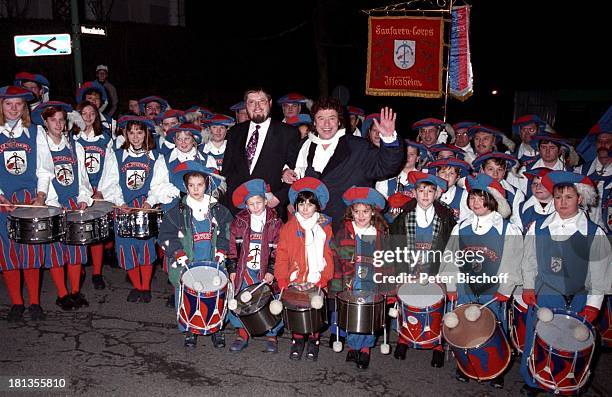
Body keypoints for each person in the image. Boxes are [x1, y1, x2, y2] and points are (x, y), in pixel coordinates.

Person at [519, 171, 611, 396]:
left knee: (570, 342)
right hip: (547, 293)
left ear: (580, 199)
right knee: (537, 337)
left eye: (569, 197)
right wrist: (528, 286)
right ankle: (533, 380)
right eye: (558, 197)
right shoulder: (538, 227)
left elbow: (600, 273)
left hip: (579, 296)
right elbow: (528, 260)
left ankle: (567, 382)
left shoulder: (593, 232)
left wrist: (593, 305)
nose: (562, 202)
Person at [440, 173, 523, 388]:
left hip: (492, 289)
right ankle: (465, 363)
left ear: (493, 200)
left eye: (481, 198)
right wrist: (451, 285)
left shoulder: (507, 229)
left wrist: (506, 288)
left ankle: (497, 367)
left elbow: (513, 262)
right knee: (464, 325)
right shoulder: (462, 226)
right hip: (466, 285)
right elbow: (450, 257)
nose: (475, 202)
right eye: (472, 198)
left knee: (494, 325)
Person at [285, 98, 405, 232]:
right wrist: (285, 173)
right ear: (314, 121)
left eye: (332, 118)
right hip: (312, 227)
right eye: (321, 118)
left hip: (349, 228)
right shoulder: (304, 146)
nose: (326, 124)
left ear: (339, 121)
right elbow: (289, 167)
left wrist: (389, 139)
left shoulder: (359, 147)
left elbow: (387, 167)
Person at [158, 160, 232, 348]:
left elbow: (227, 231)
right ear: (185, 186)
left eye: (199, 185)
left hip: (212, 260)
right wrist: (177, 251)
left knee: (215, 295)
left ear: (207, 184)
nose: (195, 189)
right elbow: (165, 235)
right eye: (191, 185)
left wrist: (223, 249)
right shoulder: (176, 212)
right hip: (187, 262)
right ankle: (189, 330)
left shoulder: (219, 210)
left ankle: (217, 328)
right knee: (186, 295)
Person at [389, 171, 455, 368]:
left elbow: (450, 248)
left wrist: (442, 275)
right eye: (421, 190)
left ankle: (437, 345)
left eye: (430, 191)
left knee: (437, 307)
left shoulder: (446, 218)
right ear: (414, 193)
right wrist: (402, 273)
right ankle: (403, 339)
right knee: (405, 304)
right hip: (409, 268)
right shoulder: (403, 217)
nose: (425, 195)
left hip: (435, 270)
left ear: (437, 194)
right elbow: (396, 246)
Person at [0, 86, 54, 322]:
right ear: (1, 106)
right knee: (8, 253)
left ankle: (34, 302)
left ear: (24, 107)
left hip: (30, 200)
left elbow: (45, 166)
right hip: (3, 201)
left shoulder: (35, 131)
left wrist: (41, 195)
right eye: (8, 104)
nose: (13, 108)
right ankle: (16, 303)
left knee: (31, 251)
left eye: (18, 104)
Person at [34, 102, 93, 310]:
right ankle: (62, 293)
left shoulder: (74, 146)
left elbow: (83, 179)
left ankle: (76, 291)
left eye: (61, 119)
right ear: (45, 122)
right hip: (53, 205)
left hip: (74, 204)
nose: (58, 124)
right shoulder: (41, 147)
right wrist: (52, 202)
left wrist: (84, 197)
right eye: (53, 120)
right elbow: (42, 176)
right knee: (56, 253)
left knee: (76, 251)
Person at [275, 177, 334, 361]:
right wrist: (282, 277)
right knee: (297, 309)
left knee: (314, 311)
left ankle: (314, 341)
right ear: (296, 206)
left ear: (317, 206)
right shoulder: (288, 227)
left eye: (310, 204)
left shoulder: (325, 227)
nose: (305, 208)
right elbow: (282, 254)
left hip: (317, 278)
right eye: (301, 204)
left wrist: (325, 277)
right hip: (295, 277)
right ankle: (297, 340)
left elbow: (329, 254)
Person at [221, 88, 300, 219]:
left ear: (269, 103)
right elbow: (227, 171)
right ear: (246, 106)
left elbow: (294, 172)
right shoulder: (235, 132)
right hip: (237, 210)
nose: (257, 106)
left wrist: (279, 198)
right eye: (251, 102)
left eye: (261, 101)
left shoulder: (288, 133)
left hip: (271, 209)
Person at [333, 186, 388, 369]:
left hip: (372, 281)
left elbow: (388, 260)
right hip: (351, 279)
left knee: (368, 315)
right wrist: (337, 283)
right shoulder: (344, 232)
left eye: (365, 211)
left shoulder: (380, 233)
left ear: (373, 212)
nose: (361, 216)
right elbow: (336, 258)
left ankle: (365, 348)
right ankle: (352, 345)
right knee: (351, 313)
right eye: (357, 212)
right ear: (351, 213)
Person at [226, 179, 283, 353]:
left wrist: (272, 270)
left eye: (259, 202)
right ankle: (242, 332)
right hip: (246, 269)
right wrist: (233, 269)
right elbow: (232, 248)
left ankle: (271, 334)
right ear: (246, 205)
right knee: (241, 300)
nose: (256, 207)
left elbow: (279, 250)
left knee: (268, 301)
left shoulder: (275, 222)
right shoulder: (239, 222)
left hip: (264, 270)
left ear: (266, 201)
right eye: (251, 204)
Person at [112, 116, 163, 302]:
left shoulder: (156, 157)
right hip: (124, 207)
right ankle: (136, 286)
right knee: (127, 248)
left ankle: (146, 287)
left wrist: (150, 202)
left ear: (146, 133)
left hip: (144, 207)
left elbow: (158, 184)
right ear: (125, 134)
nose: (135, 136)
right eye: (131, 132)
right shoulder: (117, 155)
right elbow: (111, 182)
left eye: (139, 132)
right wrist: (120, 201)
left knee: (146, 247)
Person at [73, 100, 121, 287]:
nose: (88, 117)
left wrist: (100, 190)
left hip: (100, 190)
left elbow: (110, 167)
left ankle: (98, 273)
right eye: (84, 113)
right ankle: (82, 268)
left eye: (92, 113)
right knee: (80, 231)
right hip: (80, 190)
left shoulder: (105, 138)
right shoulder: (72, 139)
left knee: (98, 232)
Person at [574, 127, 611, 234]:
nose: (603, 145)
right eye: (600, 142)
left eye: (607, 142)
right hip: (582, 233)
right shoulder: (580, 172)